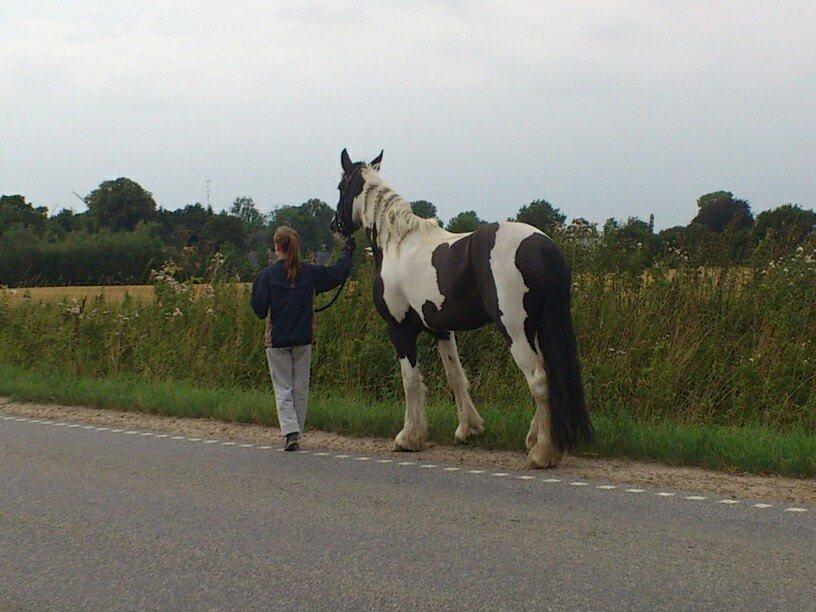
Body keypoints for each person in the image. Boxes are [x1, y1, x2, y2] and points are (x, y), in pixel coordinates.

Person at [250, 226, 355, 451]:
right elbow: (337, 273)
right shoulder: (310, 273)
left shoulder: (267, 276)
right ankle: (296, 431)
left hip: (277, 340)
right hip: (303, 338)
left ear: (276, 246)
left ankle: (290, 432)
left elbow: (258, 309)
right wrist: (348, 251)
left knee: (283, 388)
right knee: (300, 388)